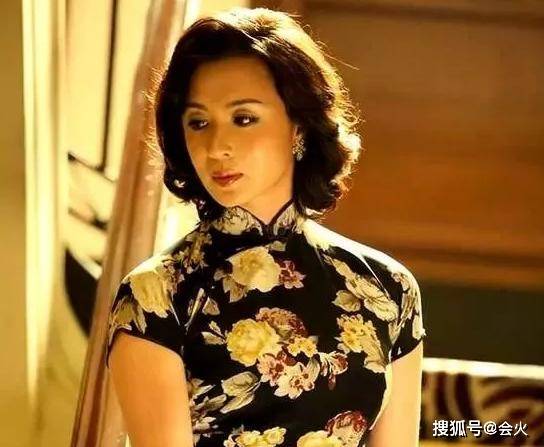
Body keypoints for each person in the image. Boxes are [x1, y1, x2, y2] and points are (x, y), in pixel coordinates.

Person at [105, 6, 426, 447]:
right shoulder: (156, 296)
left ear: (299, 127)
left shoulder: (386, 289)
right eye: (198, 123)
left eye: (243, 119)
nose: (217, 147)